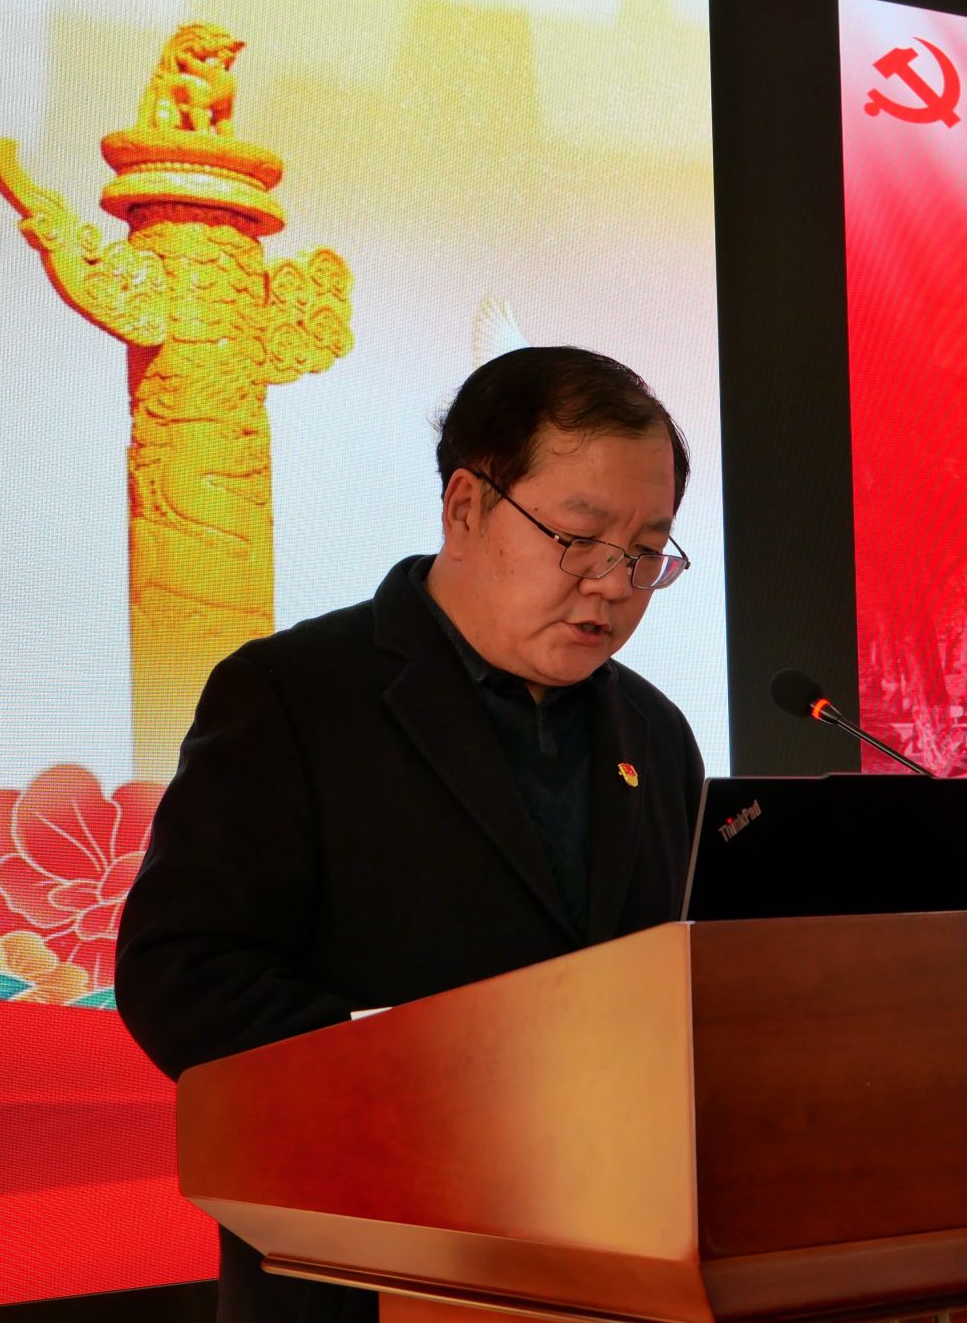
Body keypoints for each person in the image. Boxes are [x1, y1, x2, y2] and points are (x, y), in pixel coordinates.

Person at [115, 345, 706, 1323]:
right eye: (579, 538)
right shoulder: (293, 695)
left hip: (612, 1271)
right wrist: (416, 1076)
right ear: (465, 509)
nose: (613, 582)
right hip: (361, 1272)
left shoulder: (654, 733)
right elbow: (181, 975)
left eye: (647, 550)